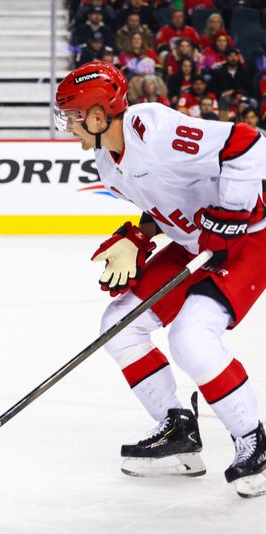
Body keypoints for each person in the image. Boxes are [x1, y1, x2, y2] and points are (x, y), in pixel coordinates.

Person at [54, 61, 266, 498]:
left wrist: (230, 216)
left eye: (73, 116)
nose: (69, 126)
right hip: (196, 242)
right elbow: (167, 202)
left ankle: (254, 441)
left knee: (192, 337)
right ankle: (178, 432)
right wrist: (136, 237)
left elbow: (248, 145)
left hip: (251, 237)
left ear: (98, 116)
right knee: (121, 325)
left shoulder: (155, 131)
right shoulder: (105, 160)